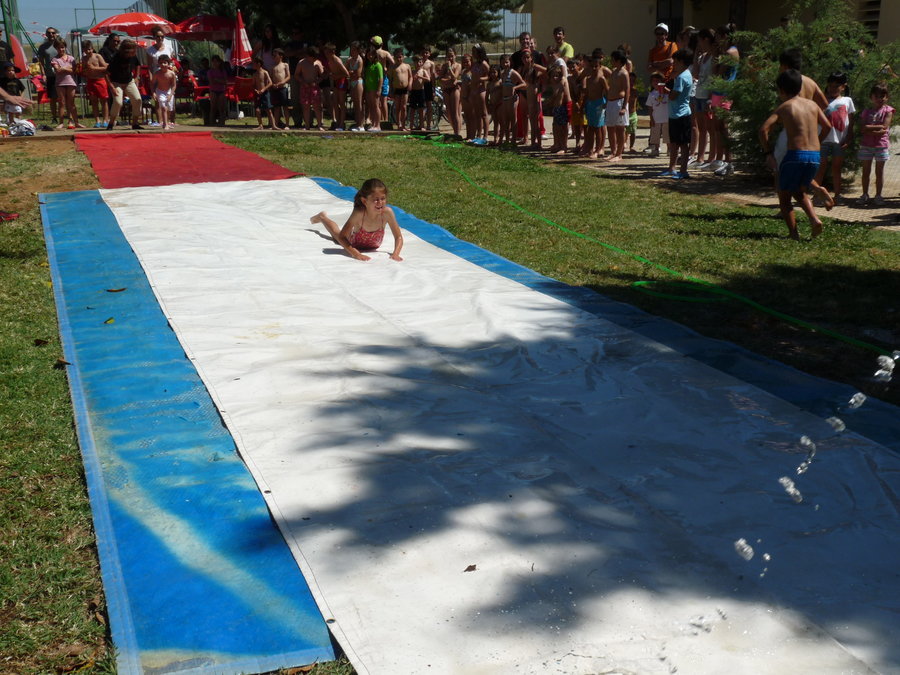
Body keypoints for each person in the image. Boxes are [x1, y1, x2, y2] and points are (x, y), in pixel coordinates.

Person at [760, 69, 833, 240]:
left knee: (784, 197)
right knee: (799, 191)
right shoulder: (813, 105)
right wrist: (817, 142)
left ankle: (793, 234)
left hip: (794, 156)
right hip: (814, 157)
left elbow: (763, 129)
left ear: (781, 90)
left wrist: (768, 153)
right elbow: (828, 126)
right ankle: (814, 219)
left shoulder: (785, 106)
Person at [310, 178, 404, 262]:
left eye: (383, 198)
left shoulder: (387, 213)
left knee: (337, 235)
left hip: (372, 245)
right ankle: (322, 217)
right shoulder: (359, 213)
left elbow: (398, 237)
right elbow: (342, 237)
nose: (380, 202)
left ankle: (322, 217)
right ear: (364, 201)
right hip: (353, 243)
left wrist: (396, 254)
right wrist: (356, 254)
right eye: (376, 199)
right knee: (336, 234)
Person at [814, 72, 855, 204]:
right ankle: (817, 196)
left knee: (836, 168)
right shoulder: (822, 100)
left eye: (836, 86)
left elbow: (851, 121)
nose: (833, 88)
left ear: (843, 87)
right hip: (823, 140)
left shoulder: (847, 101)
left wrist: (849, 136)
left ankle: (838, 195)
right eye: (830, 85)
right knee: (820, 167)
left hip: (840, 141)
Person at [856, 83, 894, 206]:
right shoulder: (866, 111)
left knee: (879, 172)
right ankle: (864, 194)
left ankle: (878, 195)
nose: (879, 98)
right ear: (871, 97)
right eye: (876, 96)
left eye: (882, 96)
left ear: (886, 97)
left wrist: (869, 127)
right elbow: (862, 128)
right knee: (865, 172)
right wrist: (873, 128)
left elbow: (884, 127)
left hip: (881, 146)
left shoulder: (888, 111)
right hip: (866, 145)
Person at [660, 48, 693, 179]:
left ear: (681, 62)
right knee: (674, 143)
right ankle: (672, 168)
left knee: (683, 144)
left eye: (675, 61)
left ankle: (683, 170)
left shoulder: (681, 77)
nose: (673, 64)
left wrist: (665, 91)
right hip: (675, 114)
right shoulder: (685, 74)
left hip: (681, 115)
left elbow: (674, 96)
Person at [106, 39, 143, 130]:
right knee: (118, 102)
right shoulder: (116, 58)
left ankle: (135, 123)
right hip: (116, 82)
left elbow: (138, 64)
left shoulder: (133, 56)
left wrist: (137, 77)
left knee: (137, 99)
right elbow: (106, 73)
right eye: (131, 51)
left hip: (129, 81)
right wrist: (111, 86)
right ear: (125, 51)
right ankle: (111, 123)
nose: (133, 53)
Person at [580, 49, 608, 159]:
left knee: (598, 128)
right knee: (590, 128)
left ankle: (598, 149)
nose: (594, 68)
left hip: (599, 104)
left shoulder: (601, 78)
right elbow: (587, 93)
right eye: (592, 66)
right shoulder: (588, 79)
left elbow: (607, 91)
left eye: (596, 66)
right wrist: (583, 106)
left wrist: (607, 103)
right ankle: (590, 149)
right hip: (590, 104)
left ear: (600, 66)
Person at [604, 49, 630, 161]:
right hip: (610, 102)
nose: (611, 61)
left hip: (619, 102)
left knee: (620, 129)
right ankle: (613, 152)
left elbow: (627, 90)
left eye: (613, 59)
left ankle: (619, 154)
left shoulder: (624, 73)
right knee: (610, 128)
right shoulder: (614, 71)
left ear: (618, 60)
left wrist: (624, 107)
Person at [51, 39, 82, 129]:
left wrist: (63, 68)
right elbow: (58, 70)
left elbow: (75, 70)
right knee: (62, 102)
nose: (61, 49)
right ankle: (61, 122)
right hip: (60, 83)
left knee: (71, 103)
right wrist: (68, 68)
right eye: (59, 48)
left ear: (65, 47)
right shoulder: (54, 59)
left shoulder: (71, 58)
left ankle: (75, 122)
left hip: (71, 82)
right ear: (56, 48)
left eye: (62, 47)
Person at [295, 46, 324, 131]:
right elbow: (296, 75)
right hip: (305, 87)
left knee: (317, 106)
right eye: (313, 57)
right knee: (306, 106)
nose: (314, 59)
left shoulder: (318, 63)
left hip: (314, 87)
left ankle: (319, 125)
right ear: (308, 56)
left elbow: (322, 76)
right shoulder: (301, 62)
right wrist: (303, 82)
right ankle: (307, 125)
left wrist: (316, 82)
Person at [81, 41, 109, 128]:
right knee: (94, 102)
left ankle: (105, 120)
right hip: (90, 81)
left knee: (103, 101)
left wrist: (94, 68)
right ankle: (97, 120)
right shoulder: (84, 59)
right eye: (86, 50)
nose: (88, 51)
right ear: (83, 50)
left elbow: (105, 67)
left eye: (89, 49)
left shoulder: (97, 56)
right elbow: (83, 70)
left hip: (100, 80)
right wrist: (84, 71)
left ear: (92, 49)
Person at [498, 54, 524, 146]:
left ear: (510, 62)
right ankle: (507, 140)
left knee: (513, 119)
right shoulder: (502, 73)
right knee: (506, 120)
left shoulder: (513, 73)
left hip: (512, 99)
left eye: (506, 62)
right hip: (504, 99)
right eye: (503, 63)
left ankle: (513, 140)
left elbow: (523, 83)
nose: (505, 64)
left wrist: (515, 87)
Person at [36, 27, 60, 123]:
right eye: (49, 33)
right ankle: (54, 117)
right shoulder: (43, 47)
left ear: (56, 34)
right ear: (46, 34)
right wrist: (43, 74)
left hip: (61, 74)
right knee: (53, 97)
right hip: (50, 75)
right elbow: (41, 62)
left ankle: (64, 117)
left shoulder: (61, 44)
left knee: (63, 97)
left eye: (53, 33)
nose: (51, 34)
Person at [468, 44, 490, 145]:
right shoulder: (475, 64)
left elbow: (490, 75)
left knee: (484, 114)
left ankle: (485, 137)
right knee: (477, 114)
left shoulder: (484, 64)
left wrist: (481, 79)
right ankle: (478, 135)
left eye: (474, 52)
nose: (473, 54)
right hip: (474, 90)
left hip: (481, 90)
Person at [644, 71, 669, 158]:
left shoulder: (667, 93)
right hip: (656, 118)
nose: (656, 83)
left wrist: (666, 90)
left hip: (666, 118)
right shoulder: (651, 94)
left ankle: (669, 149)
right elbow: (650, 108)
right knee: (655, 135)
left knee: (667, 135)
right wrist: (651, 119)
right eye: (653, 81)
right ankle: (656, 149)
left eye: (658, 81)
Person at [547, 65, 571, 154]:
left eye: (556, 75)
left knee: (562, 128)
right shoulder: (553, 84)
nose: (554, 78)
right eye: (553, 76)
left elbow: (557, 95)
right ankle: (557, 144)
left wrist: (550, 101)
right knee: (556, 126)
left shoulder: (562, 81)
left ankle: (563, 146)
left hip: (562, 107)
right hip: (556, 108)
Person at [439, 47, 462, 136]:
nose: (450, 58)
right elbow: (440, 79)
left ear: (455, 56)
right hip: (446, 90)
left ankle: (457, 133)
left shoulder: (458, 65)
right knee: (448, 112)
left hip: (454, 90)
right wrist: (448, 81)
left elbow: (454, 77)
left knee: (455, 112)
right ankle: (455, 130)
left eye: (452, 56)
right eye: (448, 56)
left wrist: (449, 68)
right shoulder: (444, 66)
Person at [250, 55, 276, 130]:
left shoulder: (265, 72)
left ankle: (273, 125)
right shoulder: (255, 74)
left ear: (258, 64)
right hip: (258, 94)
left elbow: (270, 83)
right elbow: (253, 85)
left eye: (254, 63)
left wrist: (263, 89)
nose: (253, 65)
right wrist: (255, 90)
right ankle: (260, 125)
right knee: (257, 110)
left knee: (268, 110)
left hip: (265, 93)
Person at [151, 54, 177, 129]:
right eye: (161, 63)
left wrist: (171, 94)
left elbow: (174, 85)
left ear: (168, 64)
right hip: (160, 91)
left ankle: (167, 122)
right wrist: (153, 92)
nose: (163, 64)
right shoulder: (157, 74)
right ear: (158, 64)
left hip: (169, 91)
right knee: (163, 108)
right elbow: (152, 84)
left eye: (165, 63)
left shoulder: (171, 74)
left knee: (169, 109)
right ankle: (165, 124)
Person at [269, 48, 292, 129]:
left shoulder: (285, 65)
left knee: (285, 107)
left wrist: (282, 82)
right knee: (276, 107)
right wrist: (273, 84)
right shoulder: (272, 67)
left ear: (281, 56)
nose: (273, 57)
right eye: (273, 55)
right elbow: (271, 77)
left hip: (283, 88)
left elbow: (288, 76)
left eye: (275, 55)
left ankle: (287, 124)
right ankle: (275, 125)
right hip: (275, 89)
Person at [362, 45, 383, 131]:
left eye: (372, 54)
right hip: (368, 89)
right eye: (368, 54)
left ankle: (378, 125)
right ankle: (374, 124)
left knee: (376, 106)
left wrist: (379, 89)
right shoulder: (367, 65)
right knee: (371, 106)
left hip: (375, 89)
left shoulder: (378, 65)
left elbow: (381, 78)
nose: (370, 56)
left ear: (375, 55)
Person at [390, 48, 411, 131]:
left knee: (404, 107)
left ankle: (403, 125)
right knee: (398, 107)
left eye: (400, 57)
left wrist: (410, 84)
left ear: (403, 57)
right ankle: (399, 124)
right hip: (397, 89)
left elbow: (410, 77)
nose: (399, 59)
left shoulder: (407, 66)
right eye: (397, 57)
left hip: (405, 89)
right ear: (394, 58)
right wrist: (391, 91)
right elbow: (390, 80)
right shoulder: (393, 67)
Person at [346, 41, 365, 131]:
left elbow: (358, 74)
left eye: (354, 49)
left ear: (357, 50)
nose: (352, 51)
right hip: (352, 83)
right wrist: (351, 73)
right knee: (355, 104)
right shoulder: (349, 60)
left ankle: (361, 125)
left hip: (358, 82)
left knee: (359, 104)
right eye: (351, 49)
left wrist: (351, 73)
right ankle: (358, 123)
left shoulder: (360, 60)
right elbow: (345, 71)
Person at [206, 55, 228, 126]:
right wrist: (220, 80)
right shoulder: (210, 71)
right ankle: (211, 123)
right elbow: (211, 81)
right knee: (213, 108)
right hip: (213, 90)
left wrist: (216, 80)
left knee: (222, 108)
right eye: (213, 61)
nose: (215, 63)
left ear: (219, 62)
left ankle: (222, 123)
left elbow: (225, 82)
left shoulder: (223, 71)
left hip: (221, 90)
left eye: (216, 61)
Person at [409, 54, 428, 131]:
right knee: (412, 109)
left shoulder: (423, 71)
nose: (418, 64)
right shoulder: (412, 71)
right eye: (417, 62)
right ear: (414, 63)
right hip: (413, 91)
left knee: (421, 109)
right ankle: (411, 126)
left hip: (421, 91)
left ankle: (422, 125)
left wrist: (420, 77)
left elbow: (428, 79)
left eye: (420, 62)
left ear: (422, 62)